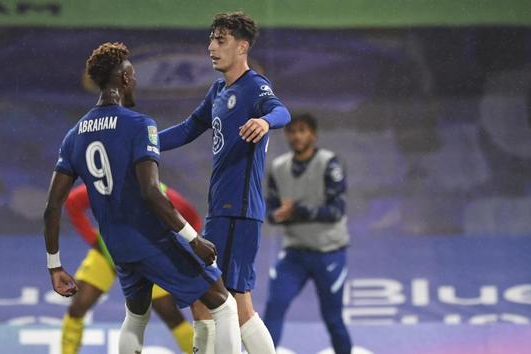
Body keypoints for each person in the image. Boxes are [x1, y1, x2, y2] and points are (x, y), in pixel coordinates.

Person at [43, 42, 242, 354]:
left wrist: (54, 266)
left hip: (116, 247)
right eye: (132, 75)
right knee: (224, 304)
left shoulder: (74, 135)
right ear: (123, 79)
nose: (135, 81)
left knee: (136, 316)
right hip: (150, 240)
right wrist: (193, 239)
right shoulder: (140, 124)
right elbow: (151, 192)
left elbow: (53, 206)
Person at [159, 12, 290, 354]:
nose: (211, 47)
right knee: (208, 297)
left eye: (221, 40)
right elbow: (189, 128)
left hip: (240, 210)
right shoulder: (219, 89)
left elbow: (282, 111)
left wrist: (265, 121)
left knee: (232, 301)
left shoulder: (254, 86)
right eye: (211, 39)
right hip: (221, 208)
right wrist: (144, 143)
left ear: (242, 46)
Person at [61, 182, 201, 354]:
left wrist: (176, 249)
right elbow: (73, 202)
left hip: (149, 260)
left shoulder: (163, 195)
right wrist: (93, 240)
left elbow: (193, 219)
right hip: (109, 254)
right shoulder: (105, 187)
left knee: (169, 314)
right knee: (79, 305)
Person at [263, 113, 353, 354]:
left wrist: (297, 211)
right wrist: (278, 215)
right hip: (294, 253)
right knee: (273, 308)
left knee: (333, 318)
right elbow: (270, 210)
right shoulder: (277, 167)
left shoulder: (329, 163)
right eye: (291, 131)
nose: (296, 136)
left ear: (313, 134)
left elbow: (337, 211)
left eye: (302, 130)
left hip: (329, 253)